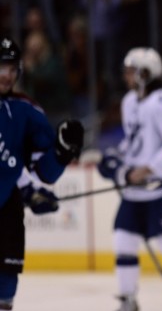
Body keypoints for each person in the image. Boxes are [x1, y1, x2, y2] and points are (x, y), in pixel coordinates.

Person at [97, 47, 162, 311]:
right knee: (123, 239)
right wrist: (118, 162)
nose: (126, 77)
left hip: (159, 188)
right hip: (135, 191)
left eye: (131, 72)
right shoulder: (130, 101)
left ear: (145, 73)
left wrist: (147, 170)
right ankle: (127, 299)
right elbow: (133, 142)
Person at [0, 36, 84, 310]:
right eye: (1, 67)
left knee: (5, 285)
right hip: (12, 195)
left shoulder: (27, 112)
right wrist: (29, 190)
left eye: (12, 68)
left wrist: (62, 151)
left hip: (7, 208)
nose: (6, 75)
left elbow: (44, 172)